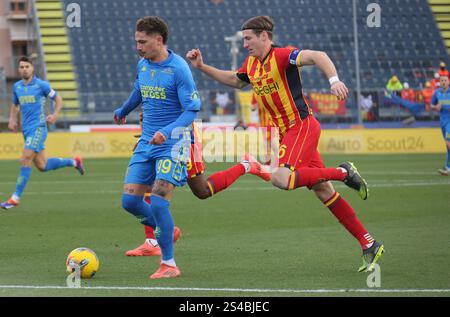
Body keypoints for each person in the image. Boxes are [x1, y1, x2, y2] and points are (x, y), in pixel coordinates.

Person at [186, 16, 384, 273]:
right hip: (285, 134)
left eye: (248, 38)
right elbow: (235, 80)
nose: (245, 44)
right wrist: (202, 66)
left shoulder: (283, 55)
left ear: (264, 37)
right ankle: (368, 242)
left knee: (281, 179)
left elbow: (318, 55)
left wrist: (334, 80)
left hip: (301, 126)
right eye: (244, 39)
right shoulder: (252, 65)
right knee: (322, 190)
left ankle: (344, 172)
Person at [126, 118, 270, 257]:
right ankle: (152, 241)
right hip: (160, 136)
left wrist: (161, 131)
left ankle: (246, 165)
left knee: (202, 190)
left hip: (182, 137)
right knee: (147, 184)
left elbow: (182, 108)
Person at [1, 57, 85, 210]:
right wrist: (12, 119)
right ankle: (74, 162)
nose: (24, 69)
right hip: (26, 130)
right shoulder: (17, 87)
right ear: (19, 69)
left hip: (38, 128)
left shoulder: (41, 85)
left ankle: (15, 197)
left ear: (32, 68)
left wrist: (55, 114)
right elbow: (15, 104)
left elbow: (58, 99)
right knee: (42, 165)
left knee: (25, 158)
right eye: (21, 67)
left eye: (27, 66)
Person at [431, 75, 450, 176]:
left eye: (445, 80)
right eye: (442, 80)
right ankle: (447, 167)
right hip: (442, 121)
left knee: (449, 144)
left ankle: (448, 168)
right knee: (447, 146)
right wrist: (436, 107)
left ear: (448, 82)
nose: (443, 82)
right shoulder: (437, 92)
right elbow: (431, 105)